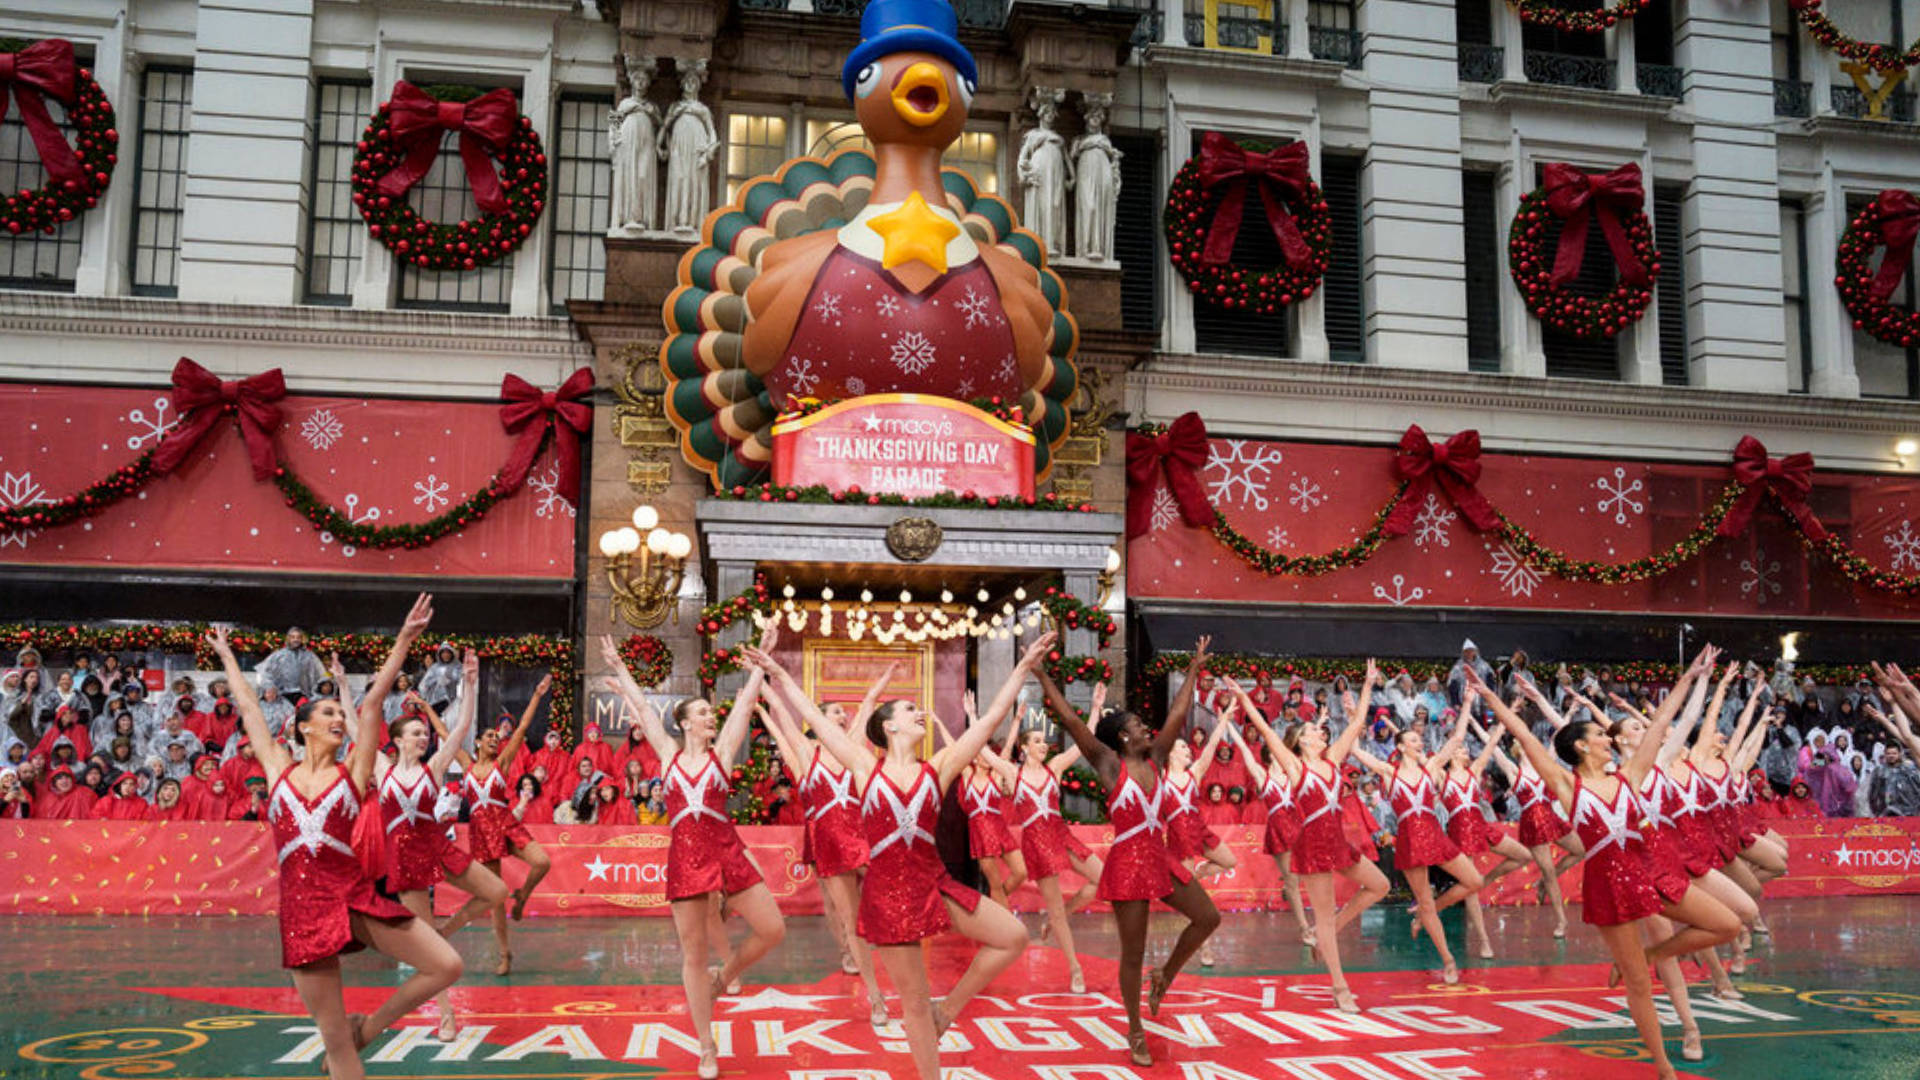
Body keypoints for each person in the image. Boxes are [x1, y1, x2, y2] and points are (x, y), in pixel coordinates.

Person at [742, 633, 1045, 1080]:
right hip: (887, 897)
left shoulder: (938, 767)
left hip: (935, 884)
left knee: (1013, 937)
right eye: (908, 710)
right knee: (915, 1005)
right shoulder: (866, 769)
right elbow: (815, 720)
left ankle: (951, 1009)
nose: (918, 712)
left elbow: (985, 725)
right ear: (889, 726)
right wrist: (781, 674)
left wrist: (1022, 671)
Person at [207, 600, 462, 1080]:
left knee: (447, 965)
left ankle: (368, 1030)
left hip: (355, 895)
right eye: (327, 713)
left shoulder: (353, 773)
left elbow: (371, 704)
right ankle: (347, 1043)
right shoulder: (278, 770)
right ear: (303, 727)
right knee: (339, 1058)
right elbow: (247, 708)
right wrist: (226, 657)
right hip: (303, 910)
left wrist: (405, 638)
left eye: (338, 715)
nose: (338, 720)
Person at [1469, 667, 1740, 1080]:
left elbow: (1662, 723)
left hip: (1651, 869)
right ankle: (1664, 1068)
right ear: (1580, 746)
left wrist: (1688, 678)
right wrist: (1490, 697)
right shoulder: (1566, 785)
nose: (1607, 739)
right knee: (1639, 986)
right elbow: (1524, 737)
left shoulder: (1629, 776)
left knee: (1728, 924)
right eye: (1598, 735)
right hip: (1610, 883)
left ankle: (1652, 955)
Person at [601, 630, 788, 1080]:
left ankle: (723, 981)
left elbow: (743, 706)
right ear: (684, 722)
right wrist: (620, 669)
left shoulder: (722, 752)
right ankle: (706, 1046)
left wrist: (762, 658)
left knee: (772, 929)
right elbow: (645, 711)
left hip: (727, 852)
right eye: (703, 712)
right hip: (686, 859)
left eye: (711, 711)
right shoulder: (667, 754)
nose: (711, 715)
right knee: (693, 954)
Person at [1036, 639, 1219, 1065]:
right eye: (1137, 724)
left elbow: (1177, 714)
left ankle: (1166, 975)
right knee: (1132, 953)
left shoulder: (1156, 756)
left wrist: (1192, 669)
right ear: (1122, 735)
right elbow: (1070, 719)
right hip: (1128, 864)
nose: (1146, 728)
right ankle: (1135, 1029)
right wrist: (1041, 672)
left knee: (1208, 917)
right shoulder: (1108, 764)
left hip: (1160, 857)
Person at [1225, 669, 1389, 1010]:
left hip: (1338, 842)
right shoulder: (1296, 766)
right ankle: (1339, 986)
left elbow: (1357, 725)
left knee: (1381, 886)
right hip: (1312, 845)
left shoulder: (1333, 759)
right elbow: (1268, 732)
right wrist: (1242, 699)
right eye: (1313, 729)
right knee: (1325, 918)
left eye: (1319, 728)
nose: (1320, 730)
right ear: (1302, 740)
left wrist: (1368, 685)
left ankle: (1326, 931)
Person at [375, 648, 508, 1042]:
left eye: (424, 733)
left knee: (496, 890)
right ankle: (446, 1016)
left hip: (436, 844)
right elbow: (357, 724)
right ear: (397, 740)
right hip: (404, 856)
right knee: (429, 951)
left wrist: (469, 685)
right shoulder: (381, 770)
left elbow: (463, 726)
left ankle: (446, 930)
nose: (423, 737)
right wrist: (352, 695)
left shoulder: (433, 768)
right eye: (415, 733)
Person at [752, 670, 890, 1025]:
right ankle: (875, 995)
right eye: (836, 713)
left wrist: (881, 681)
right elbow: (783, 717)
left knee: (889, 891)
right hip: (827, 840)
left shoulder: (852, 748)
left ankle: (891, 947)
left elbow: (870, 703)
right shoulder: (804, 753)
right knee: (846, 913)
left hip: (861, 839)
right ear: (818, 721)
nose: (844, 717)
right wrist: (761, 680)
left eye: (845, 714)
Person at [1346, 705, 1485, 984]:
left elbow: (1456, 740)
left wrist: (1467, 702)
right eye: (1412, 739)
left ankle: (1425, 912)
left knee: (1475, 882)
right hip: (1410, 838)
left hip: (1435, 834)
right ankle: (1448, 959)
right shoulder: (1388, 771)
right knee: (1424, 901)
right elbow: (1356, 751)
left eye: (1419, 739)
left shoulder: (1431, 767)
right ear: (1400, 746)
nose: (1419, 742)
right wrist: (1354, 716)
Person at [458, 676, 556, 975]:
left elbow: (523, 727)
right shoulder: (466, 765)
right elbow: (444, 733)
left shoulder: (502, 763)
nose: (493, 740)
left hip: (504, 822)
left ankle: (523, 895)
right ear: (477, 742)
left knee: (542, 862)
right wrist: (425, 706)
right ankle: (505, 955)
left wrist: (537, 695)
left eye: (495, 738)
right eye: (488, 736)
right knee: (496, 897)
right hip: (480, 830)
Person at [1158, 705, 1239, 967]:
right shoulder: (1162, 778)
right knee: (1197, 902)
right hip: (1179, 839)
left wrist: (1223, 721)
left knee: (1230, 861)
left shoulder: (1194, 774)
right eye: (1182, 748)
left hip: (1199, 831)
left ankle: (1200, 874)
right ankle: (1204, 949)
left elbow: (1210, 748)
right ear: (1171, 753)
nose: (1188, 751)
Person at [1865, 704, 1920, 815]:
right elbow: (1907, 737)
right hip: (1888, 815)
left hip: (1912, 814)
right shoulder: (1880, 771)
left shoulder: (1910, 768)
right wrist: (1892, 706)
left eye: (1894, 753)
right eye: (1888, 753)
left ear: (1900, 754)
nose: (1891, 756)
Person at [257, 627, 327, 702]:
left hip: (304, 695)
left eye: (298, 637)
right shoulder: (278, 655)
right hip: (282, 694)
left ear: (302, 639)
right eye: (293, 637)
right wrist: (270, 687)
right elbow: (265, 672)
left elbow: (321, 673)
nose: (295, 640)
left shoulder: (310, 656)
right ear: (288, 639)